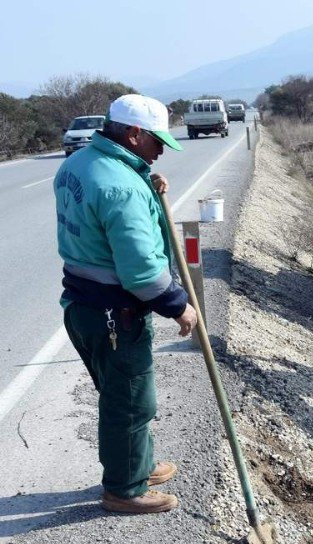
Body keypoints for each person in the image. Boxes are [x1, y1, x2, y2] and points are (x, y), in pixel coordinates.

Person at [55, 94, 198, 515]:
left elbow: (99, 218)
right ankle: (125, 489)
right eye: (157, 142)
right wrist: (179, 306)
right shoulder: (120, 186)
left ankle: (140, 463)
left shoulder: (77, 164)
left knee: (120, 393)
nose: (159, 151)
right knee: (132, 401)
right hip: (115, 314)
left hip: (81, 307)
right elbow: (140, 272)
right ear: (134, 135)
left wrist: (148, 189)